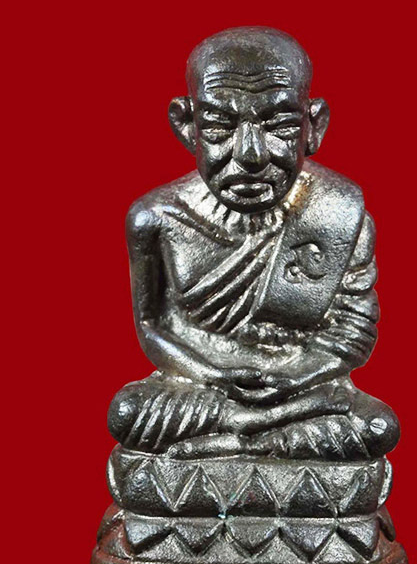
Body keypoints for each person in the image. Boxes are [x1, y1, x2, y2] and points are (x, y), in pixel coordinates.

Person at [107, 26, 399, 461]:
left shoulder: (338, 212)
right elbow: (154, 325)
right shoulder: (155, 218)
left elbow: (352, 333)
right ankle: (259, 435)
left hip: (304, 391)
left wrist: (298, 378)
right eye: (219, 127)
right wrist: (213, 374)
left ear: (313, 126)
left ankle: (244, 439)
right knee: (128, 412)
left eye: (280, 126)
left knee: (375, 425)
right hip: (207, 389)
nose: (250, 155)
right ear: (186, 126)